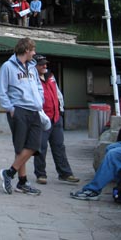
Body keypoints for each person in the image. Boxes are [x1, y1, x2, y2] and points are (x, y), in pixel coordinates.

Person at [0, 37, 43, 195]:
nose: (34, 53)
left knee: (34, 145)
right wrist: (11, 108)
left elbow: (38, 85)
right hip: (19, 110)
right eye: (33, 50)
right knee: (21, 147)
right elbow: (1, 90)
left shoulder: (32, 67)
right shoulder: (7, 67)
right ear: (26, 50)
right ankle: (22, 182)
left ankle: (9, 173)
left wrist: (40, 99)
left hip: (34, 109)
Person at [32, 55, 79, 185]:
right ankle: (40, 174)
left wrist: (61, 109)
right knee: (41, 147)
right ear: (34, 66)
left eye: (45, 64)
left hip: (56, 117)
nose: (45, 66)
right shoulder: (32, 79)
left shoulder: (51, 76)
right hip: (42, 118)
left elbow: (58, 94)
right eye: (41, 64)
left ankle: (65, 173)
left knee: (59, 146)